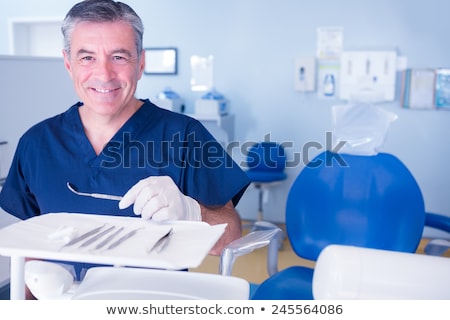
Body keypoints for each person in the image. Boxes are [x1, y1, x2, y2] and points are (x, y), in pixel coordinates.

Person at [0, 0, 250, 278]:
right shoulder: (36, 143)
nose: (104, 74)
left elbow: (231, 236)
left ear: (140, 63)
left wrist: (193, 213)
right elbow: (32, 247)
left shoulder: (184, 136)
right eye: (87, 57)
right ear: (69, 64)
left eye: (119, 57)